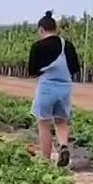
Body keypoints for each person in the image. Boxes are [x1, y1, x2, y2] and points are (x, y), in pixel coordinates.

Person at [27, 10, 81, 167]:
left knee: (43, 123)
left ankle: (46, 159)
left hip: (46, 88)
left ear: (41, 29)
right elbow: (75, 68)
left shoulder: (38, 47)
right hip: (65, 88)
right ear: (56, 29)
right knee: (61, 121)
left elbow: (32, 71)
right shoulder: (67, 45)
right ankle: (63, 146)